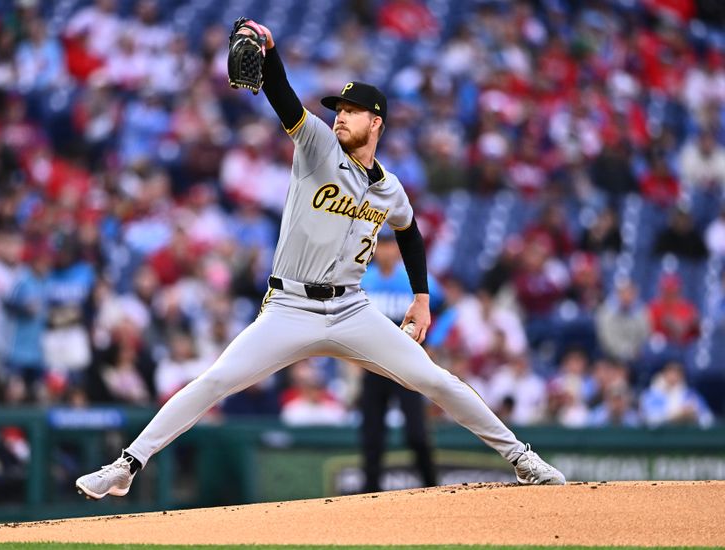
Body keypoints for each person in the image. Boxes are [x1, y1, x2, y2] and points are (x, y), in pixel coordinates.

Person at [75, 20, 565, 500]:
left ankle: (522, 459)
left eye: (351, 111)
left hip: (352, 309)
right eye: (338, 109)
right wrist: (269, 51)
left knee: (435, 379)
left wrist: (421, 298)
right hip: (289, 307)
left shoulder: (390, 188)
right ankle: (127, 465)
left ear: (376, 122)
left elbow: (410, 232)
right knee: (218, 379)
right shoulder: (316, 145)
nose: (340, 116)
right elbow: (283, 93)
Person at [358, 229, 438, 493]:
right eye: (381, 246)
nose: (385, 252)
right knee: (372, 437)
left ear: (398, 250)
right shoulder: (363, 280)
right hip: (374, 366)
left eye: (391, 246)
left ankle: (433, 489)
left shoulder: (411, 282)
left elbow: (446, 308)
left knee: (416, 433)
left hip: (406, 365)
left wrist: (432, 342)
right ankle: (370, 495)